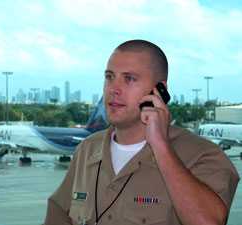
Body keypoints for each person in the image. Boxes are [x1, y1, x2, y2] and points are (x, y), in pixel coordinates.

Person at [44, 39, 240, 225]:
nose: (114, 89)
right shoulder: (87, 150)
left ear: (159, 91)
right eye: (109, 77)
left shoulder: (202, 155)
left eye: (129, 79)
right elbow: (59, 212)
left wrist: (161, 147)